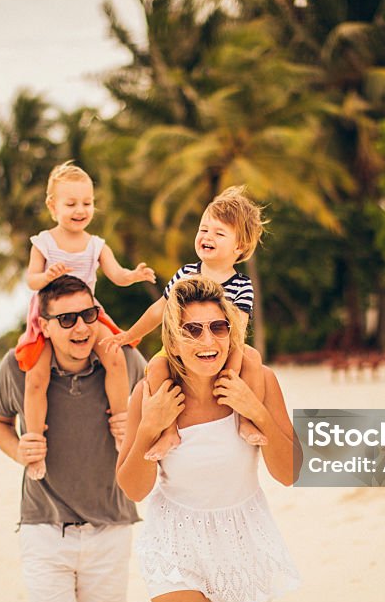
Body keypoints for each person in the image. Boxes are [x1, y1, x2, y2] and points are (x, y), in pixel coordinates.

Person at [116, 276, 301, 602]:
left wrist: (257, 411)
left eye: (219, 327)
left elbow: (287, 473)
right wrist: (150, 427)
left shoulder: (260, 381)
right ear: (174, 338)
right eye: (193, 329)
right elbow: (133, 488)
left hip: (240, 536)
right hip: (175, 539)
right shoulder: (150, 394)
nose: (208, 341)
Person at [0, 275, 147, 602]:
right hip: (44, 528)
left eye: (89, 315)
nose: (81, 327)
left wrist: (138, 428)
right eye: (67, 319)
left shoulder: (125, 362)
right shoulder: (19, 367)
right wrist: (19, 450)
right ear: (43, 325)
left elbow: (162, 415)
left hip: (111, 527)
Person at [17, 161, 155, 478]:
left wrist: (134, 275)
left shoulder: (96, 245)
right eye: (71, 204)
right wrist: (46, 275)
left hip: (90, 315)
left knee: (116, 356)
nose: (80, 210)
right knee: (36, 376)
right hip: (49, 319)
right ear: (53, 207)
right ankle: (36, 442)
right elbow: (30, 279)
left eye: (87, 203)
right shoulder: (44, 242)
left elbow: (116, 274)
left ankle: (120, 422)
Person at [107, 186, 267, 460]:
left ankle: (246, 419)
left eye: (219, 233)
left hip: (225, 349)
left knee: (250, 359)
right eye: (204, 229)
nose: (207, 236)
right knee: (156, 366)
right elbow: (160, 310)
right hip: (182, 350)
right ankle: (169, 431)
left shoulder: (241, 284)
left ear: (238, 246)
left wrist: (227, 366)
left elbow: (237, 329)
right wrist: (129, 335)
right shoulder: (186, 274)